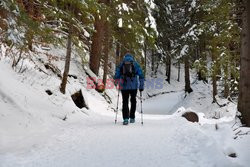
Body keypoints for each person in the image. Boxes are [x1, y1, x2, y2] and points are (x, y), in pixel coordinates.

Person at [114, 53, 144, 125]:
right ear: (132, 57)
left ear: (125, 57)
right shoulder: (135, 64)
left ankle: (125, 119)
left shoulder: (121, 64)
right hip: (133, 87)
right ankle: (132, 117)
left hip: (124, 86)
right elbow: (141, 76)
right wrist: (141, 86)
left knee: (125, 101)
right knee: (133, 101)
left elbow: (116, 76)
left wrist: (118, 83)